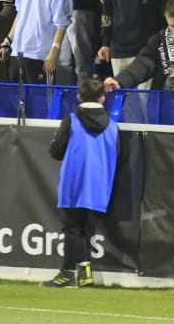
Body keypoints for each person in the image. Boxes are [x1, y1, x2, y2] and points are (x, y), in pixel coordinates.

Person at [45, 77, 118, 289]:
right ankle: (80, 272)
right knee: (83, 228)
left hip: (74, 180)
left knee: (72, 227)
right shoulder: (112, 126)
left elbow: (56, 151)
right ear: (102, 98)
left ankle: (71, 272)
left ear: (79, 96)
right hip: (100, 182)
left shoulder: (71, 120)